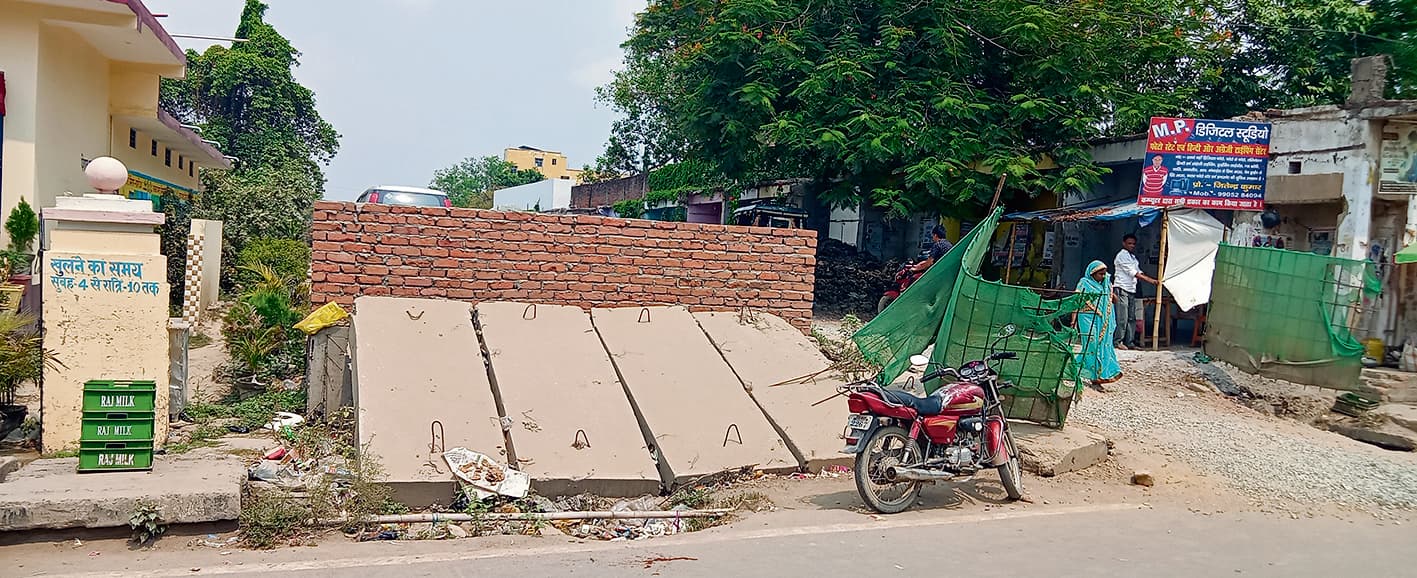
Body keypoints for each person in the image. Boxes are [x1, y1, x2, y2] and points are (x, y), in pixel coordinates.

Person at [1075, 260, 1122, 391]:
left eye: (1104, 274)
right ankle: (1093, 377)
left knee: (1101, 346)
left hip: (1103, 320)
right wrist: (1073, 321)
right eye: (1100, 274)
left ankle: (1094, 376)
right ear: (1092, 274)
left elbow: (1115, 300)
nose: (1103, 276)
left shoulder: (1106, 285)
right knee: (1092, 345)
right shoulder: (1084, 283)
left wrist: (1110, 293)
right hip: (1087, 318)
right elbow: (1077, 300)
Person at [1113, 234, 1157, 350]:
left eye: (1133, 243)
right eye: (1129, 243)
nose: (1132, 245)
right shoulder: (1122, 256)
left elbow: (1139, 271)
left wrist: (1152, 279)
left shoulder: (1132, 258)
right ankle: (1118, 341)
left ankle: (1130, 342)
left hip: (1131, 289)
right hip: (1122, 288)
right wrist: (1151, 280)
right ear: (1124, 243)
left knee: (1132, 317)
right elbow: (1134, 273)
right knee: (1122, 317)